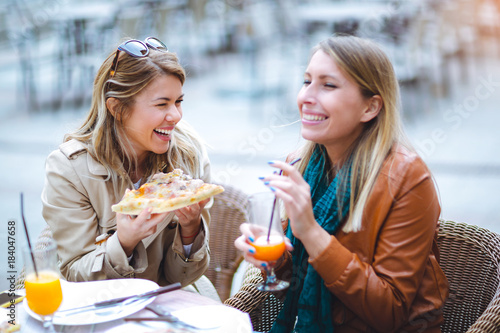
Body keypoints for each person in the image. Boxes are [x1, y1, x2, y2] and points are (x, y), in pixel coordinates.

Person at [235, 35, 449, 332]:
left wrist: (311, 232)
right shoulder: (303, 165)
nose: (306, 97)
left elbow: (389, 312)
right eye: (306, 81)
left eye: (328, 85)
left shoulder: (407, 178)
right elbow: (298, 286)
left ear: (370, 108)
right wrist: (274, 259)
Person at [42, 37, 211, 287]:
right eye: (162, 104)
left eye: (178, 101)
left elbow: (181, 279)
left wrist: (190, 229)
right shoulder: (69, 170)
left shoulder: (189, 154)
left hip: (171, 302)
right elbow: (74, 272)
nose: (176, 116)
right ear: (117, 108)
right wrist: (123, 243)